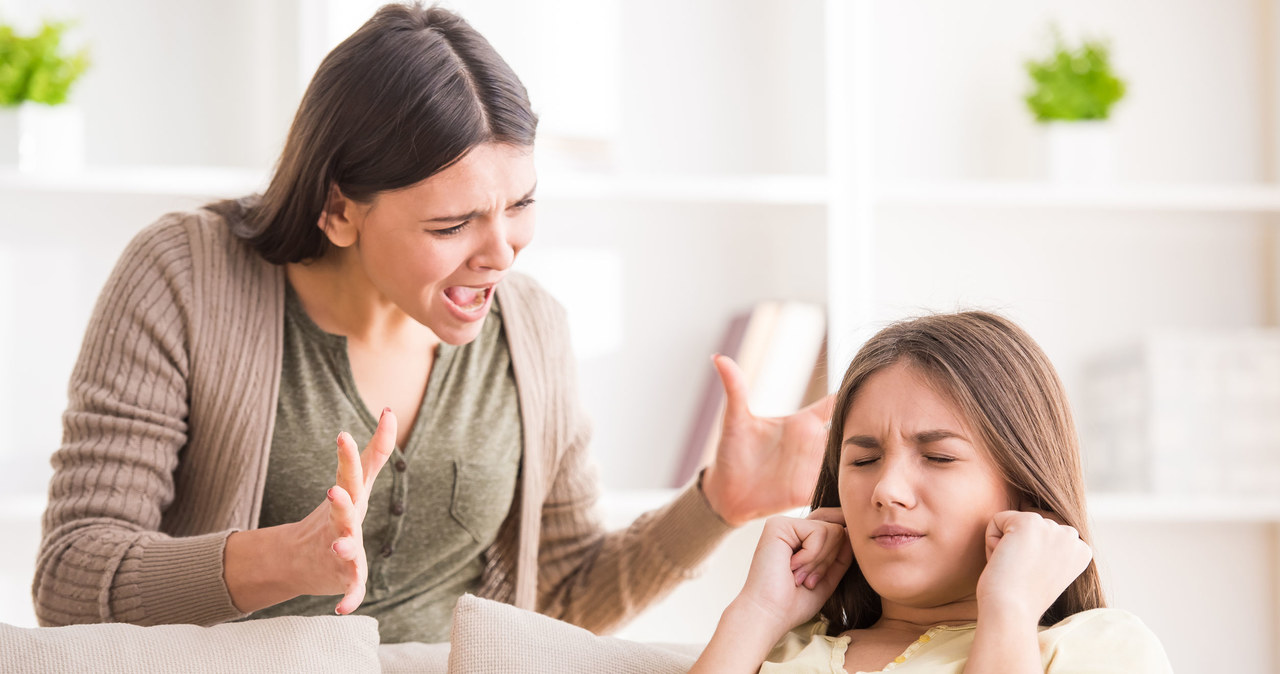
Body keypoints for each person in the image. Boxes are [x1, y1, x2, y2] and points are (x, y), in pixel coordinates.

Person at [32, 3, 832, 644]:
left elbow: (555, 604)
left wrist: (717, 504)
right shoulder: (186, 276)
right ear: (339, 208)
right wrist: (285, 560)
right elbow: (70, 582)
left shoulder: (532, 332)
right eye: (452, 226)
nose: (501, 255)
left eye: (520, 206)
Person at [691, 311, 1173, 673]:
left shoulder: (1101, 649)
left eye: (939, 457)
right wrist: (758, 612)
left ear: (1025, 488)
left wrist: (1009, 610)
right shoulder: (772, 646)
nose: (886, 490)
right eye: (862, 460)